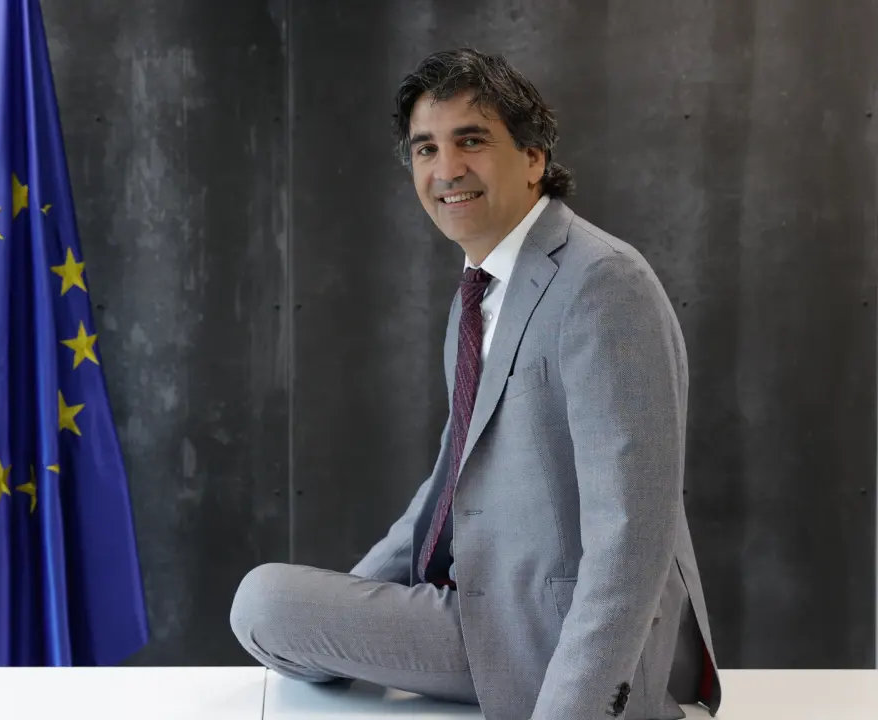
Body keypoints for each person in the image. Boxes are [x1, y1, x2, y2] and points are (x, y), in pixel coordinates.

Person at [229, 48, 722, 720]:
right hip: (483, 610)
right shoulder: (480, 290)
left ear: (533, 157)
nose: (446, 169)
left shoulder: (605, 282)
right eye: (425, 149)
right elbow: (447, 484)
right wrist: (347, 611)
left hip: (568, 643)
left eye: (471, 141)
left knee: (263, 600)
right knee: (274, 606)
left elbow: (632, 532)